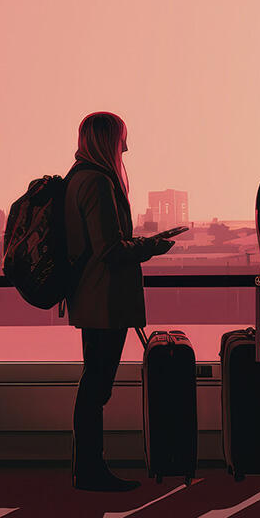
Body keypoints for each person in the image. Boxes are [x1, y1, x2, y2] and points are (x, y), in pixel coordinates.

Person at [64, 112, 175, 492]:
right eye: (121, 139)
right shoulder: (97, 182)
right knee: (97, 386)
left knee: (93, 383)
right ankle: (91, 469)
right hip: (104, 298)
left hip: (90, 295)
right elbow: (109, 248)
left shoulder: (78, 178)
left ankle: (87, 466)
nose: (126, 147)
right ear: (109, 141)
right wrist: (152, 247)